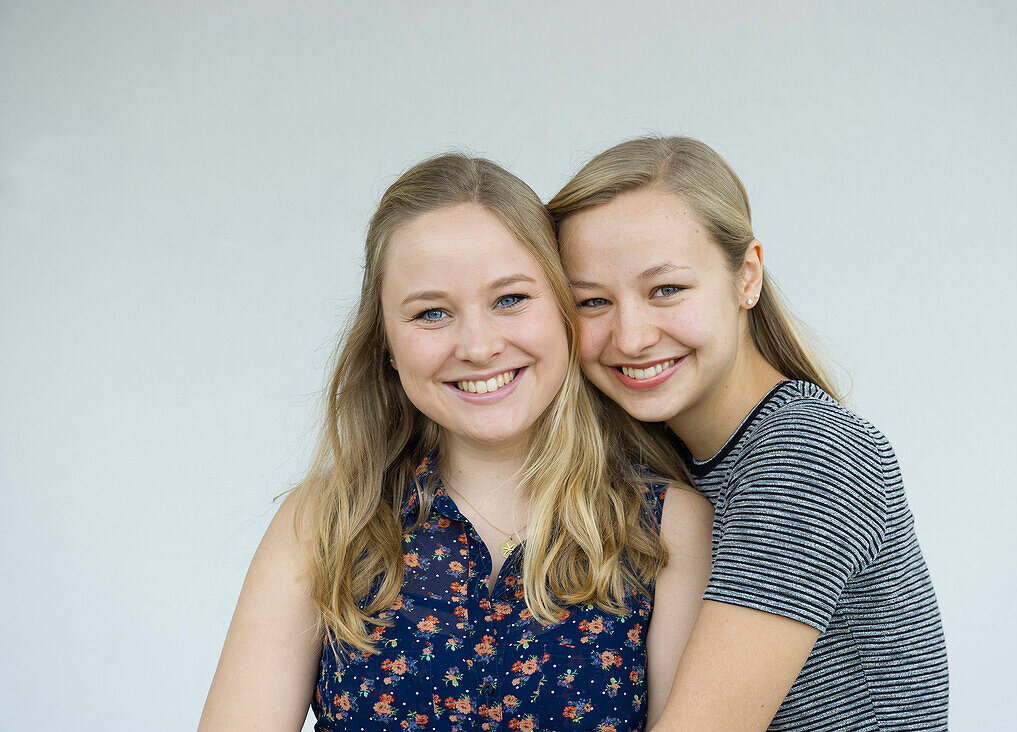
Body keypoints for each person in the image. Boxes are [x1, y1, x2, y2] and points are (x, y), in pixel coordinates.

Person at [198, 153, 713, 732]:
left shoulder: (667, 527)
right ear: (385, 341)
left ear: (566, 315)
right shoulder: (322, 524)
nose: (477, 345)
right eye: (432, 313)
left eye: (511, 299)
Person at [548, 136, 949, 730]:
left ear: (747, 277)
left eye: (667, 289)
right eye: (592, 302)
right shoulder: (665, 460)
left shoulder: (808, 454)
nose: (630, 337)